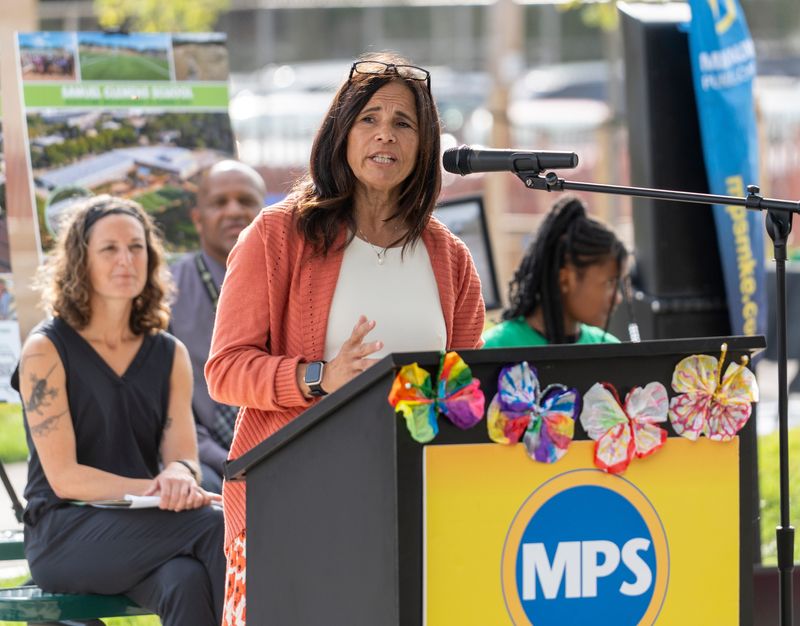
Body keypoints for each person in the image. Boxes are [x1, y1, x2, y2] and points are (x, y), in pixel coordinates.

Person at [204, 51, 485, 625]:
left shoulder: (449, 257)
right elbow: (226, 370)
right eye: (370, 118)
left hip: (412, 505)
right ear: (341, 132)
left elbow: (469, 387)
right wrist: (318, 377)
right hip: (295, 506)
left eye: (404, 122)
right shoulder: (278, 234)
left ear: (425, 143)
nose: (386, 135)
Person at [16, 195, 225, 626]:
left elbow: (183, 454)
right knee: (217, 524)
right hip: (65, 532)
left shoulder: (169, 353)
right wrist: (159, 488)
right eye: (109, 248)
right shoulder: (46, 349)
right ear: (81, 262)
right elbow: (65, 478)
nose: (126, 259)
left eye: (136, 246)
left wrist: (179, 475)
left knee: (184, 581)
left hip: (145, 528)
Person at [170, 159, 266, 493]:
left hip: (280, 445)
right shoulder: (168, 292)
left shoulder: (292, 283)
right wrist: (228, 462)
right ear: (198, 219)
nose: (234, 211)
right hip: (203, 459)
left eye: (246, 200)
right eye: (220, 203)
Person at [482, 195, 627, 347]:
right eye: (610, 282)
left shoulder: (609, 348)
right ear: (565, 279)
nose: (617, 298)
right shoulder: (495, 348)